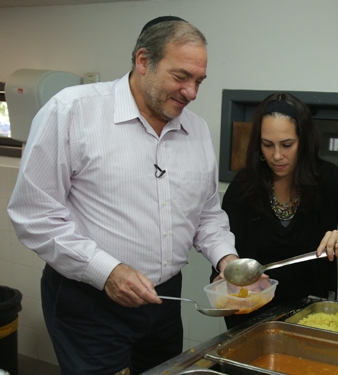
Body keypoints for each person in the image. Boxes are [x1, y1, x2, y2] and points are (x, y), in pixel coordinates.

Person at [7, 16, 239, 375]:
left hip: (165, 300)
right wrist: (107, 271)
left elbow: (206, 213)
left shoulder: (195, 130)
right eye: (181, 77)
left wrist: (227, 260)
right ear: (143, 61)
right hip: (90, 300)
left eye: (199, 81)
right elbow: (34, 215)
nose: (191, 93)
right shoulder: (72, 111)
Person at [213, 92, 338, 329]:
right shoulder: (243, 186)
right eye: (267, 145)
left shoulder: (330, 179)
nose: (277, 155)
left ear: (304, 141)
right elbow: (225, 244)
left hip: (312, 314)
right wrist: (225, 276)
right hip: (251, 314)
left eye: (287, 145)